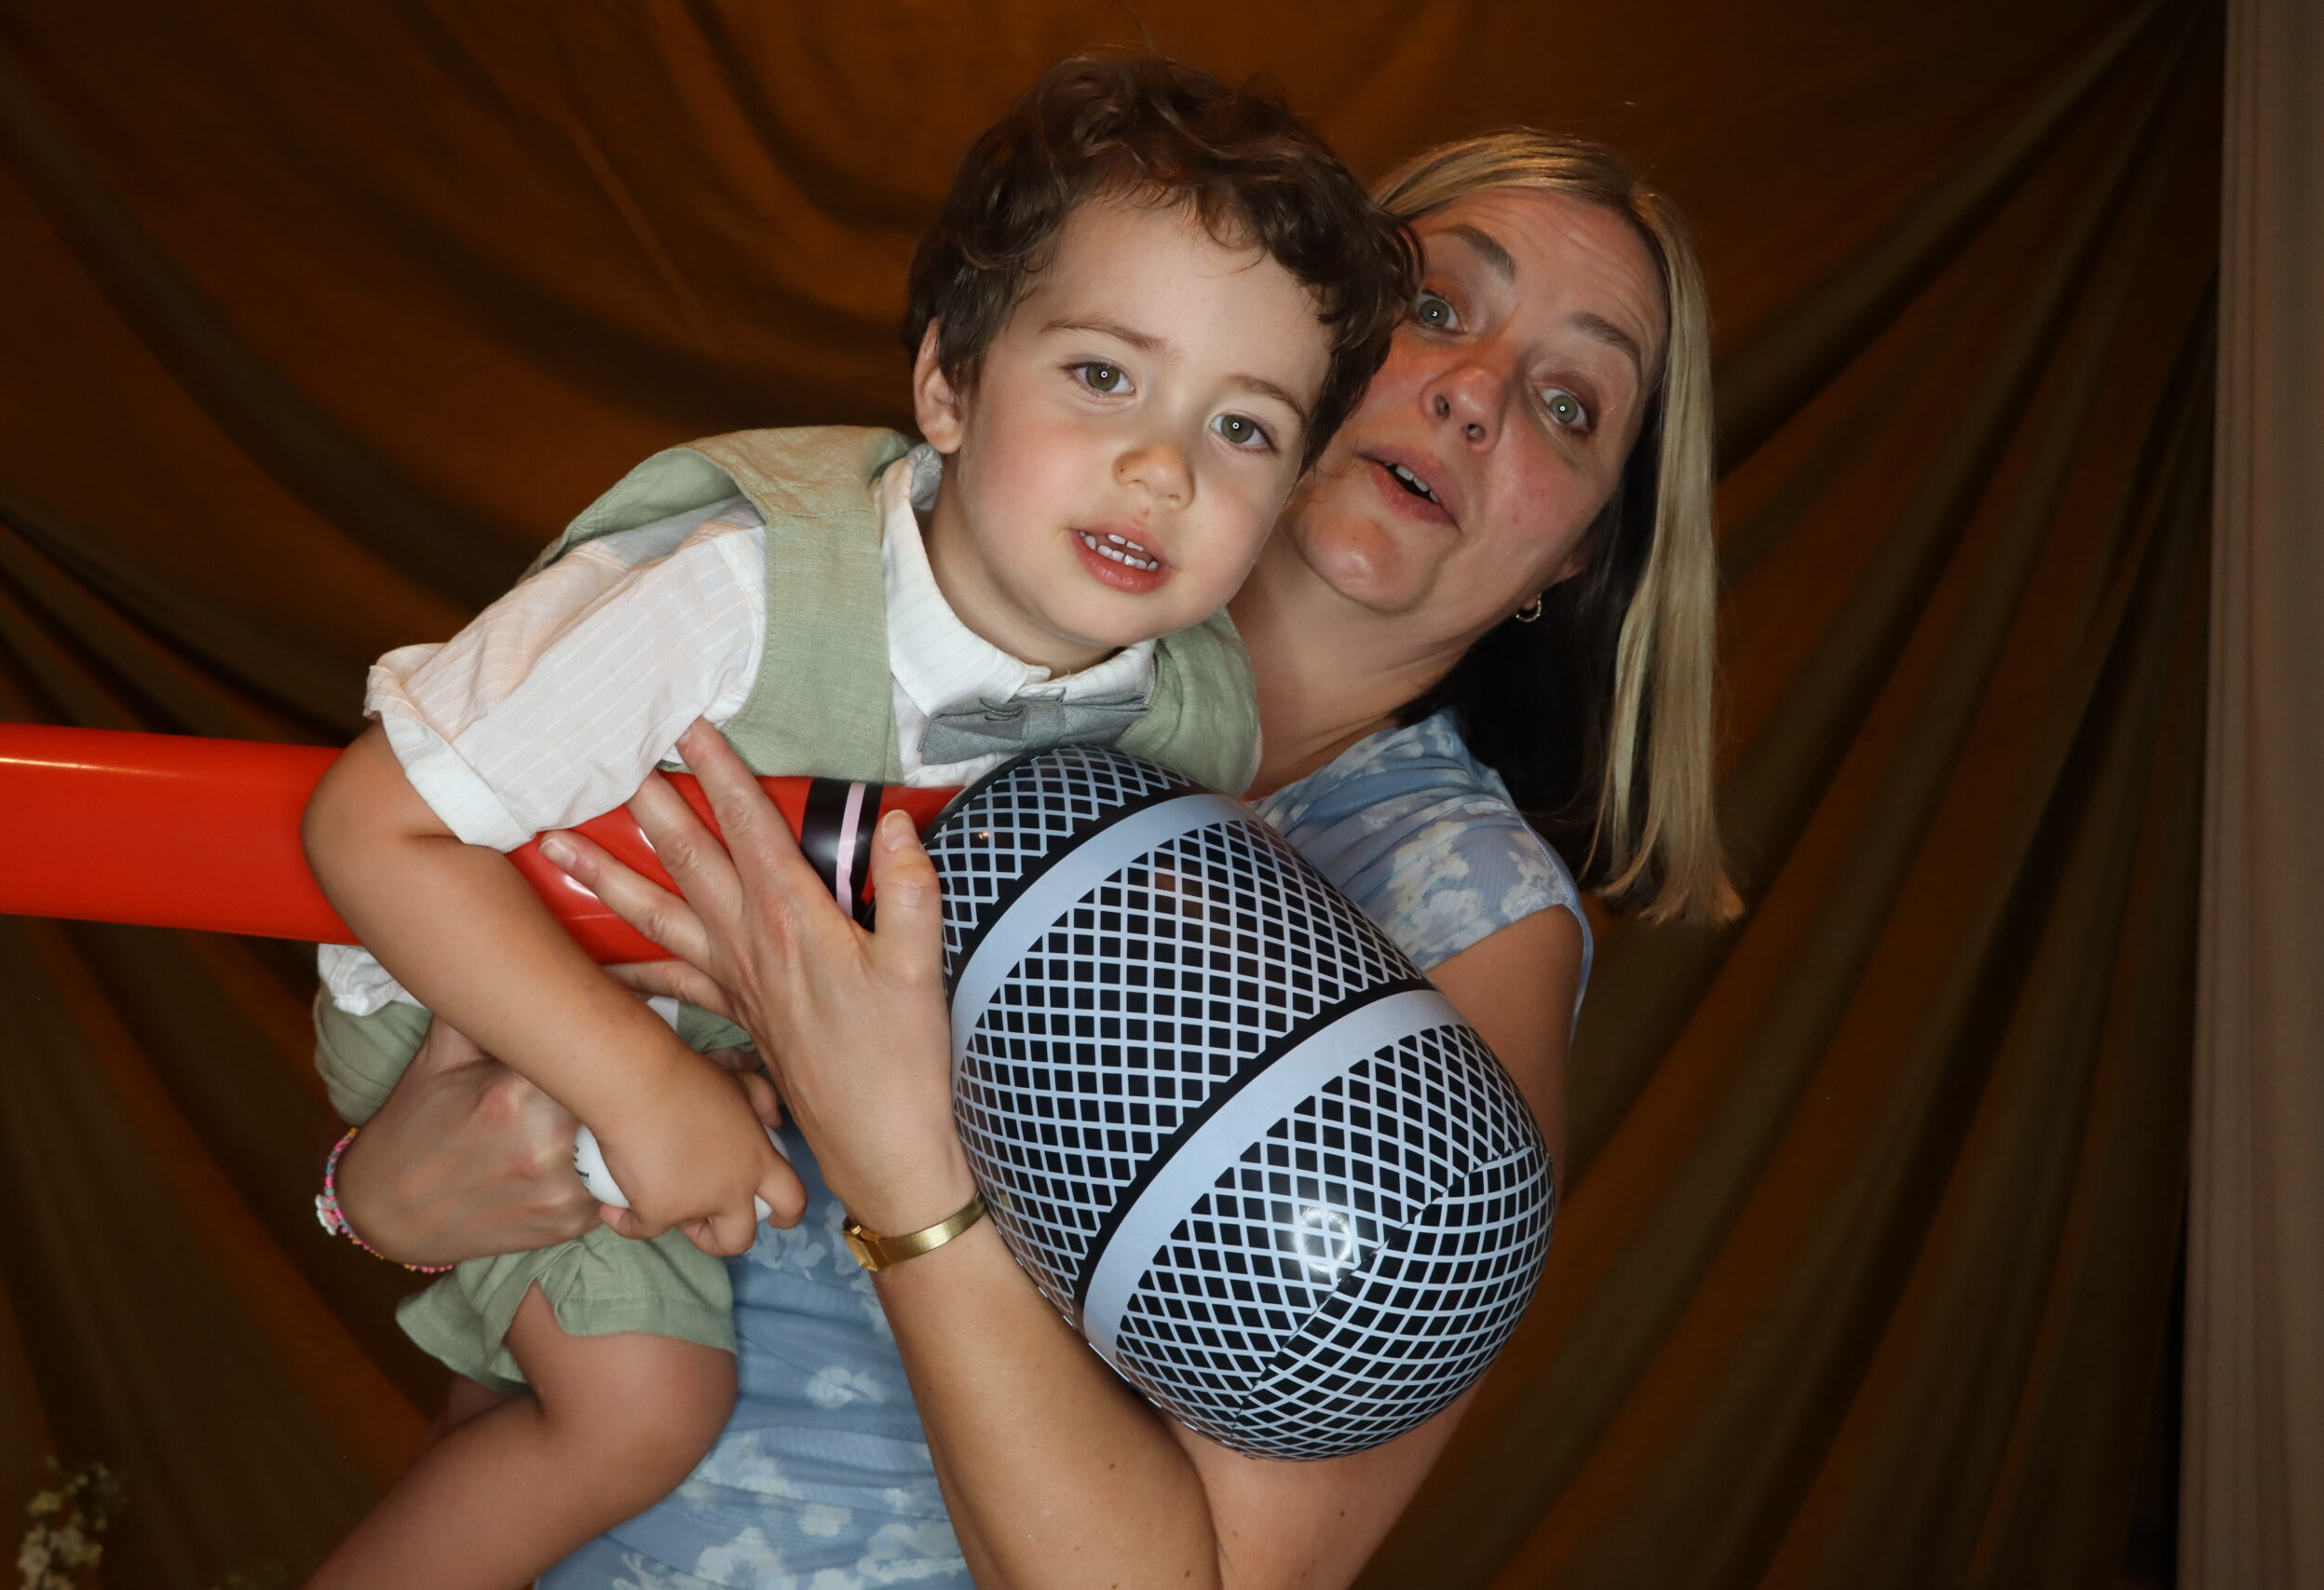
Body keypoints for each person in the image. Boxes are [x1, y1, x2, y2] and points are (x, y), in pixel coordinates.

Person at [331, 129, 1739, 1588]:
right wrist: (383, 1196)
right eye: (1438, 308)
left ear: (1577, 556)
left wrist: (897, 1159)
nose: (1474, 393)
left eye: (1569, 405)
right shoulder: (905, 603)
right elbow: (530, 1295)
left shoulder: (1459, 906)